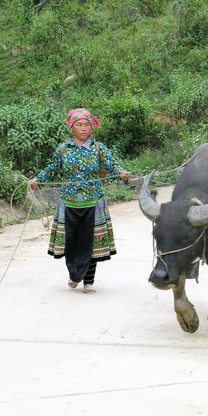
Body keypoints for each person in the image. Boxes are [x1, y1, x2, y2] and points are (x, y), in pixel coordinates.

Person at [29, 108, 131, 294]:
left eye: (87, 125)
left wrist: (122, 174)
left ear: (91, 128)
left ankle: (88, 282)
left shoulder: (98, 148)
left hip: (94, 201)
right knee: (72, 241)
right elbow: (50, 169)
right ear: (71, 127)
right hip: (69, 201)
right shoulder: (63, 150)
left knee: (90, 242)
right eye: (79, 125)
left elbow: (113, 165)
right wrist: (37, 180)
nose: (84, 129)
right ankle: (75, 274)